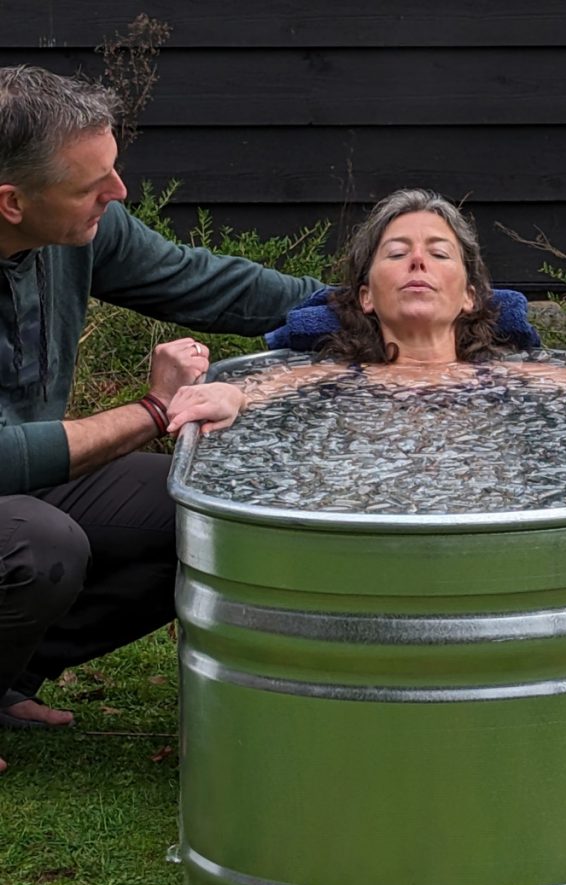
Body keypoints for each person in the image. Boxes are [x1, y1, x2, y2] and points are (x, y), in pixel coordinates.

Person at [0, 65, 323, 771]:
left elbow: (204, 282)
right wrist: (154, 408)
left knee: (205, 512)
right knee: (41, 544)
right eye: (94, 186)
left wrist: (366, 304)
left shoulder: (79, 232)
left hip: (19, 481)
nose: (118, 194)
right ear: (11, 202)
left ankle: (8, 679)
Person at [167, 188, 566, 432]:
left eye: (438, 254)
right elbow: (260, 389)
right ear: (366, 295)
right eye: (396, 253)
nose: (417, 261)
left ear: (470, 295)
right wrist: (226, 394)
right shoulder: (335, 375)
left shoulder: (504, 374)